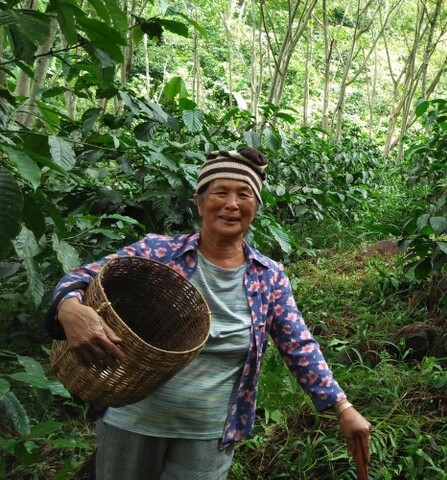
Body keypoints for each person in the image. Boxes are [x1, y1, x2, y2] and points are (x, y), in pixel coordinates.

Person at [44, 147, 371, 479]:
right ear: (200, 203)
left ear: (255, 208)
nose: (232, 203)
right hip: (132, 419)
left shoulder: (268, 277)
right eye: (220, 192)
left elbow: (299, 346)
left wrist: (342, 407)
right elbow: (80, 278)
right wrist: (69, 308)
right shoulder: (159, 252)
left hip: (208, 432)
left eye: (244, 194)